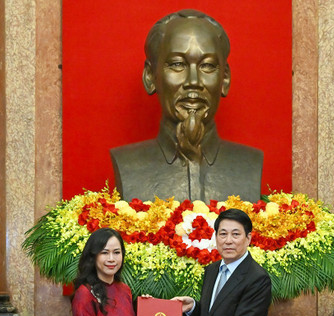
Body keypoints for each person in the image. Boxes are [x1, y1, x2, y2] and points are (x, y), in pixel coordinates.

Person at [110, 9, 263, 204]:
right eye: (177, 64)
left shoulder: (249, 164)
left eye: (207, 66)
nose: (193, 81)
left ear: (224, 79)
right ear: (150, 77)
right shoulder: (128, 164)